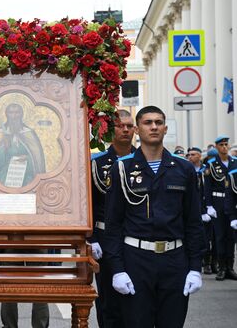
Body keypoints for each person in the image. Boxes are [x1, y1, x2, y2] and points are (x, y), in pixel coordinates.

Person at [103, 106, 205, 328]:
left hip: (174, 260)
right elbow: (113, 224)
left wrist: (195, 268)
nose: (154, 127)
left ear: (165, 128)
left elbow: (193, 222)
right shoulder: (122, 169)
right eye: (148, 122)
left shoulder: (183, 169)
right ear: (138, 130)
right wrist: (118, 269)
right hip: (136, 261)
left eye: (158, 122)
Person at [89, 109, 135, 328]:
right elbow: (90, 205)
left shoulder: (146, 161)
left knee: (138, 299)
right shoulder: (97, 164)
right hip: (106, 238)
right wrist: (92, 238)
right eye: (119, 125)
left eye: (129, 126)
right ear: (109, 129)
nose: (125, 130)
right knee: (109, 301)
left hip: (137, 236)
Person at [0, 103, 45, 187]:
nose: (14, 116)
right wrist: (4, 148)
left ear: (21, 114)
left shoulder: (28, 133)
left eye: (17, 112)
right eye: (11, 112)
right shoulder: (0, 133)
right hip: (5, 176)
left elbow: (37, 158)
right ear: (7, 114)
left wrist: (27, 158)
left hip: (26, 175)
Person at [203, 136, 237, 281]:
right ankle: (221, 267)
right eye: (221, 145)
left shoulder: (235, 162)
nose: (224, 147)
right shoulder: (211, 164)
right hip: (217, 201)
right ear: (216, 147)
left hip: (232, 203)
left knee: (231, 236)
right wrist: (209, 206)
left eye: (226, 144)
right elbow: (207, 187)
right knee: (220, 236)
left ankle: (230, 266)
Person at [188, 147, 214, 274]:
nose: (190, 157)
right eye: (189, 155)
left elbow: (206, 191)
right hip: (192, 208)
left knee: (206, 237)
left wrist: (206, 208)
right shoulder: (187, 169)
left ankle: (208, 263)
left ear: (199, 156)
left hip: (205, 207)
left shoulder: (206, 170)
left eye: (193, 154)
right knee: (194, 237)